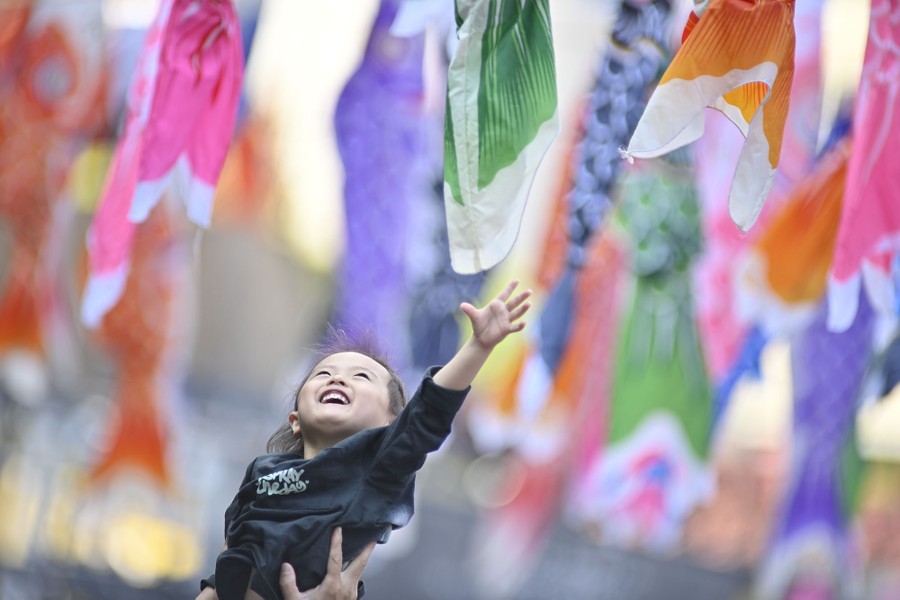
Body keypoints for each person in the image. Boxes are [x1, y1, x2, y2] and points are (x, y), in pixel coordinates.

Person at [200, 280, 532, 600]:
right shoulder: (263, 469)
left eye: (361, 376)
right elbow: (226, 562)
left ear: (391, 424)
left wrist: (478, 346)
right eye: (323, 374)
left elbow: (428, 414)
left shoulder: (373, 470)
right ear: (295, 421)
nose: (338, 378)